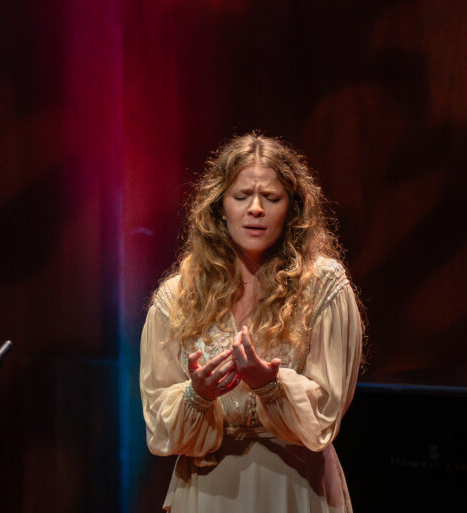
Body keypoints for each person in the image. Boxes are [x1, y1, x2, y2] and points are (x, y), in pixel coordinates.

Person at [140, 133, 364, 512]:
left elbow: (325, 412)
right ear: (219, 207)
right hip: (210, 488)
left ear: (292, 209)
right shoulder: (178, 296)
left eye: (271, 198)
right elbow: (159, 426)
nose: (256, 209)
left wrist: (270, 387)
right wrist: (198, 396)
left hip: (293, 485)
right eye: (242, 196)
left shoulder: (323, 285)